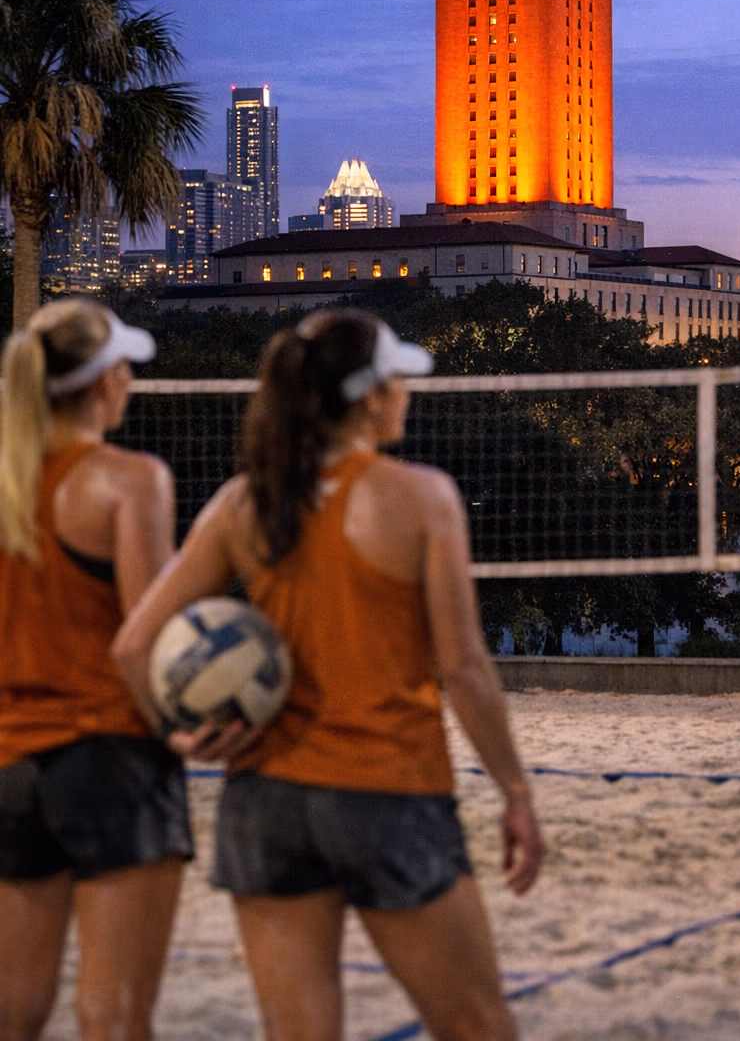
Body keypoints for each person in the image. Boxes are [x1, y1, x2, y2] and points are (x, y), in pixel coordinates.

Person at [115, 309, 544, 1041]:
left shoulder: (241, 503)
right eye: (398, 378)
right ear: (371, 396)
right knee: (478, 1025)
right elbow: (465, 670)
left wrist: (178, 735)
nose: (407, 391)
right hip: (388, 787)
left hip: (266, 799)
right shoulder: (420, 498)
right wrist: (514, 792)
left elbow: (133, 648)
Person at [0, 299, 191, 1041]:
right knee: (113, 1012)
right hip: (111, 755)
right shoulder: (128, 479)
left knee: (15, 1008)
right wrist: (188, 730)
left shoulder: (11, 481)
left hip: (13, 757)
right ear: (105, 380)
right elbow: (145, 638)